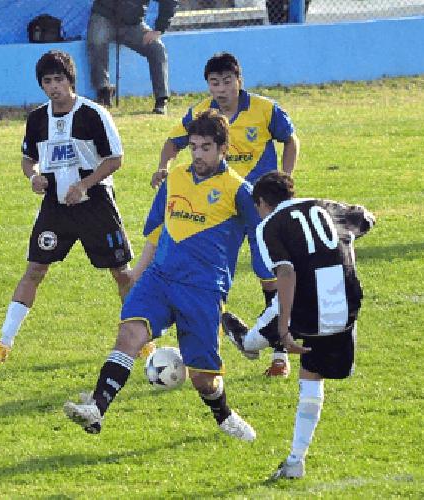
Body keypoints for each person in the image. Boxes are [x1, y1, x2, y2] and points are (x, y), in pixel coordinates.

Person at [64, 109, 286, 440]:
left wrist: (273, 285)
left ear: (223, 149)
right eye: (193, 146)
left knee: (203, 379)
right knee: (130, 336)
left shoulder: (239, 191)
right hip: (160, 278)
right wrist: (135, 273)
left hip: (203, 290)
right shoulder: (176, 178)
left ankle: (224, 415)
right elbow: (156, 231)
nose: (197, 154)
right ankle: (96, 409)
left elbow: (260, 240)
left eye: (206, 147)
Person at [0, 50, 142, 366]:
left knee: (121, 273)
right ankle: (3, 342)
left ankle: (144, 341)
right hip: (56, 208)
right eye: (47, 81)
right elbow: (28, 159)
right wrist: (34, 176)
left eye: (59, 80)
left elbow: (115, 159)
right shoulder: (38, 119)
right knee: (35, 269)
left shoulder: (93, 114)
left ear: (71, 80)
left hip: (95, 205)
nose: (54, 87)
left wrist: (84, 185)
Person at [150, 51, 300, 377]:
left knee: (270, 274)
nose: (221, 89)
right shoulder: (201, 113)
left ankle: (279, 353)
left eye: (227, 81)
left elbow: (291, 140)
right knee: (208, 272)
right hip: (217, 210)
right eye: (214, 83)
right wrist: (164, 166)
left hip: (258, 206)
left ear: (239, 80)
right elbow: (172, 141)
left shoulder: (264, 109)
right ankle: (223, 325)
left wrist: (284, 179)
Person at [220, 171, 373, 480]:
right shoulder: (327, 207)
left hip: (307, 306)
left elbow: (286, 274)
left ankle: (244, 340)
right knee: (314, 373)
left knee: (262, 338)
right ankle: (294, 462)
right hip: (348, 304)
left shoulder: (270, 226)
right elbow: (366, 218)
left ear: (262, 203)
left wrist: (286, 327)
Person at [87, 0, 177, 114]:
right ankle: (103, 91)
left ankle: (161, 100)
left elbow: (169, 2)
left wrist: (159, 29)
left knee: (157, 48)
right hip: (103, 17)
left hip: (133, 24)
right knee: (97, 40)